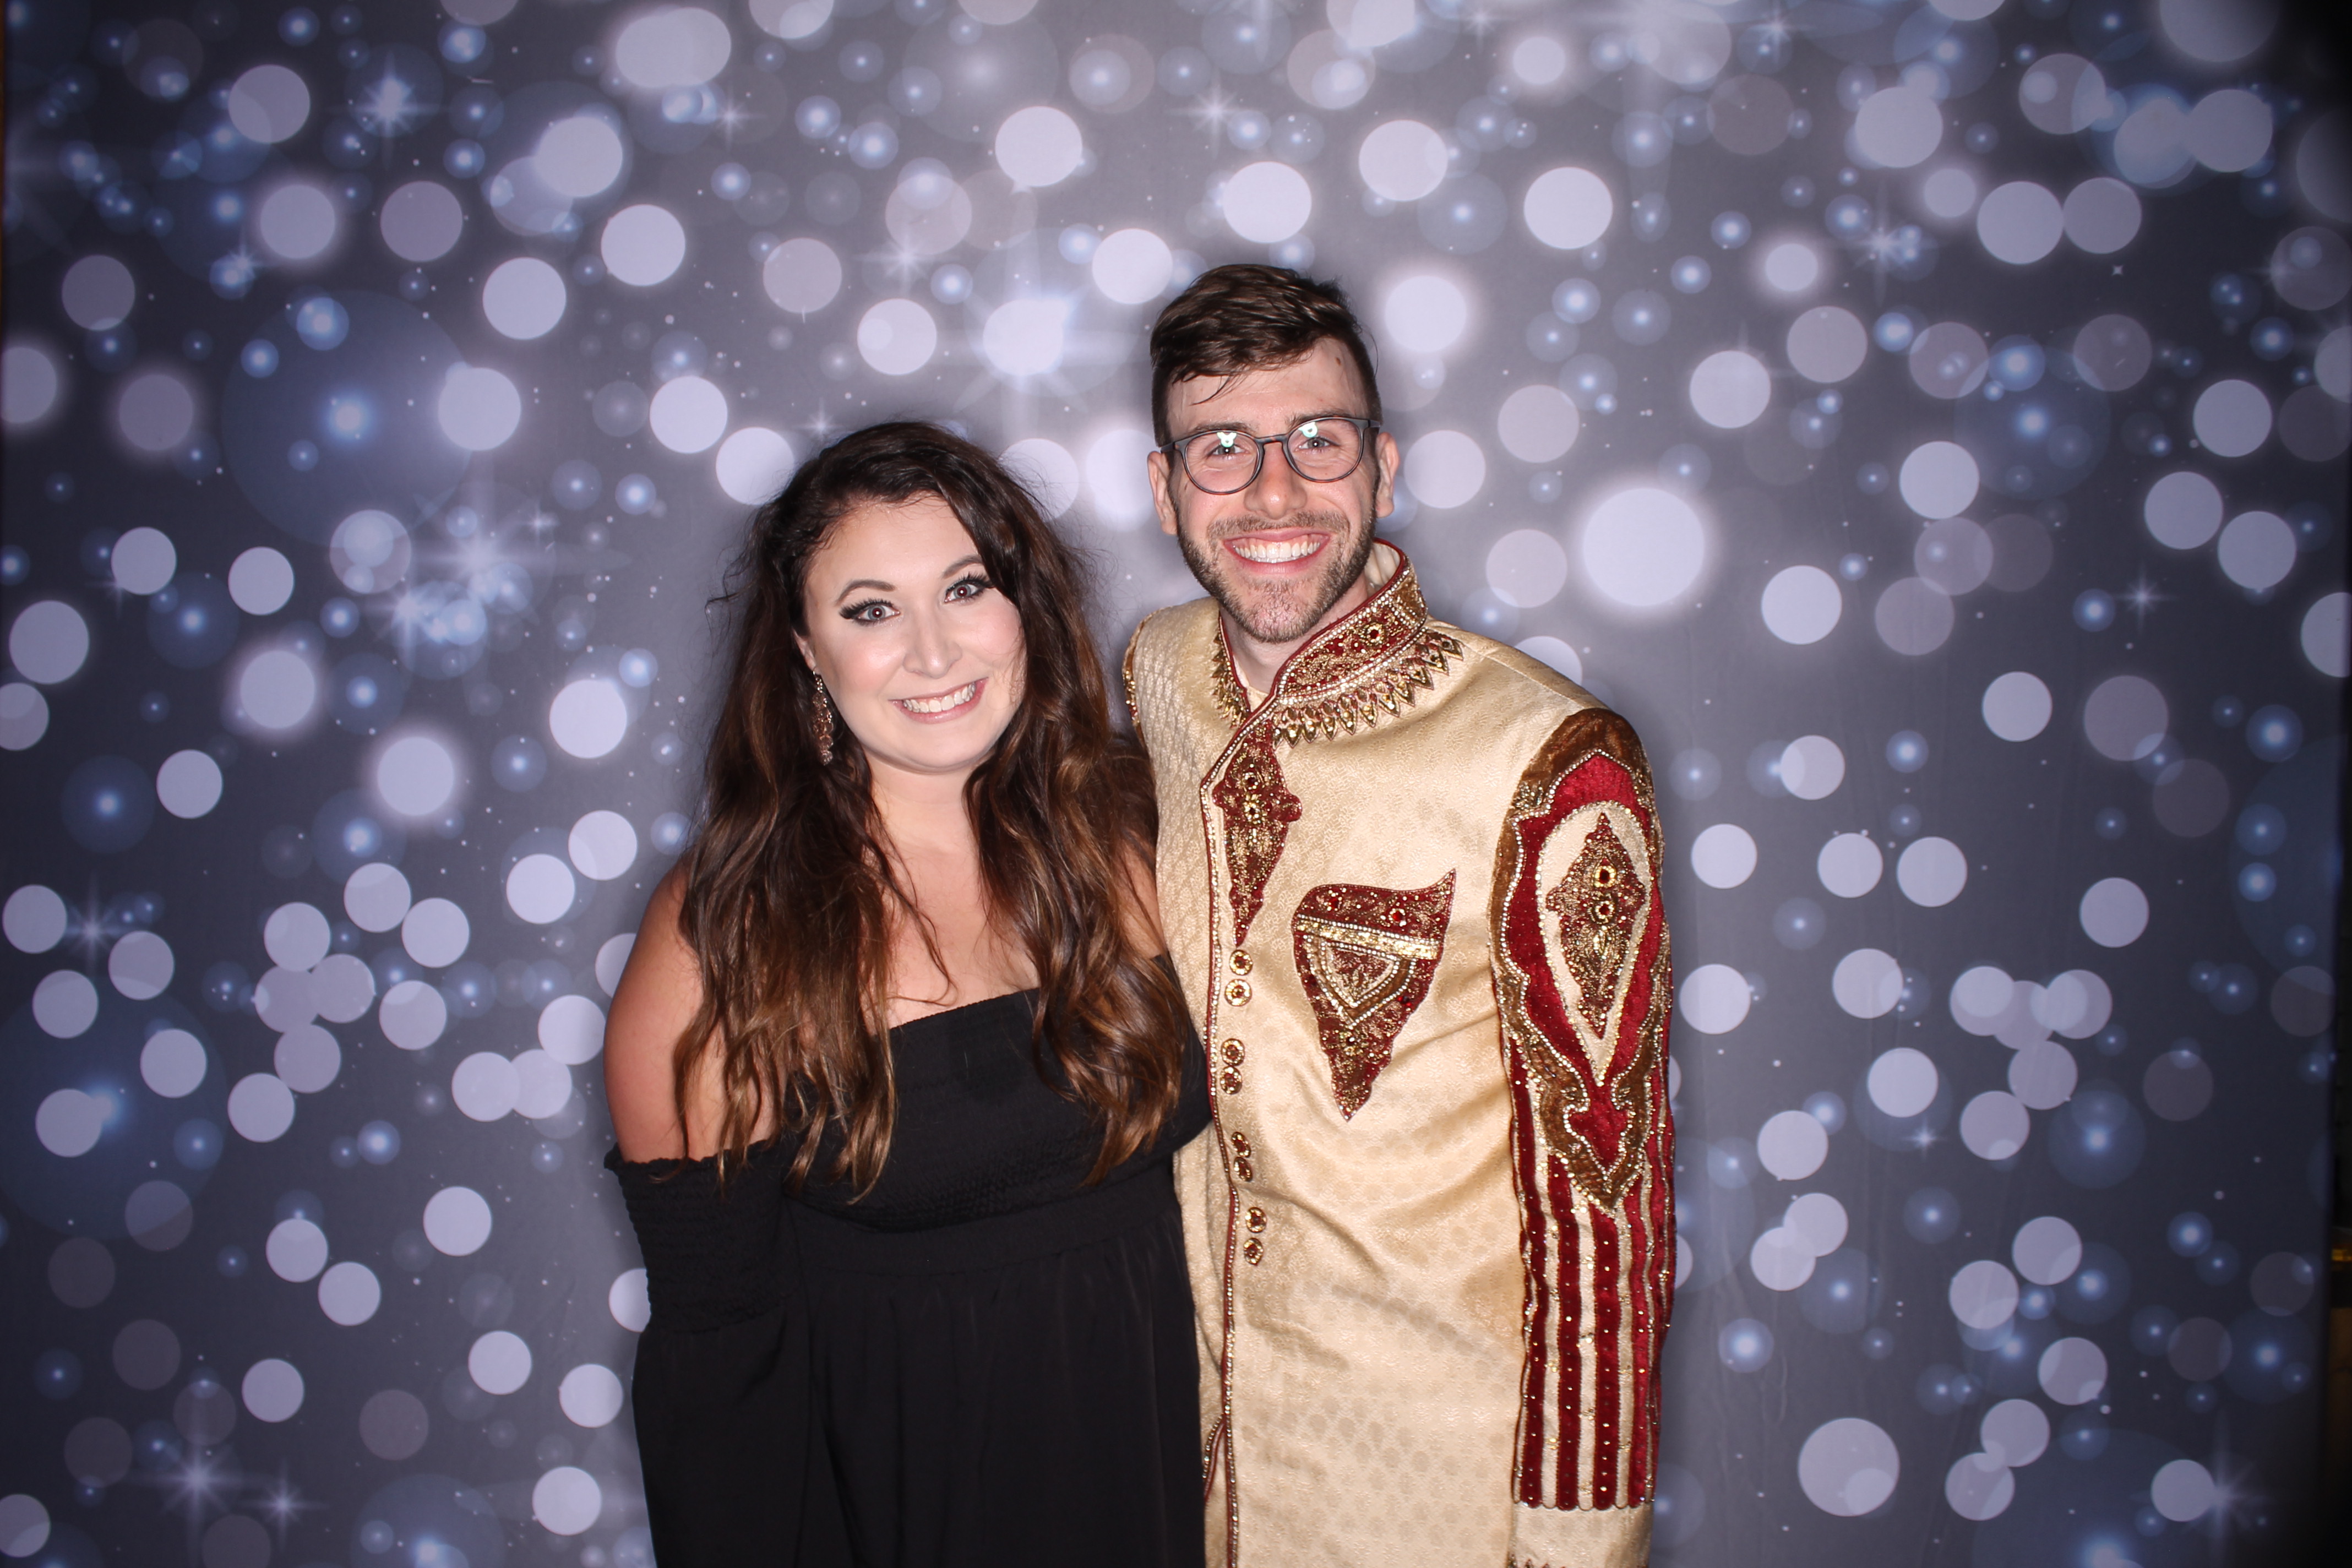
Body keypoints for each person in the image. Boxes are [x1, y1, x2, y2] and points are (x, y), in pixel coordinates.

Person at [1122, 265, 1675, 1568]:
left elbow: (1607, 1207)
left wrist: (1577, 1547)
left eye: (1319, 439)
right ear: (1165, 490)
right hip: (1178, 1459)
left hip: (1435, 1486)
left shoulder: (1552, 758)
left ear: (1384, 467)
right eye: (1223, 448)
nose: (1274, 491)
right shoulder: (1155, 672)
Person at [602, 421, 1210, 1568]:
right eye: (871, 609)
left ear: (1024, 606)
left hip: (1178, 1480)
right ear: (805, 651)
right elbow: (719, 1355)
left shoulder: (1141, 828)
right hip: (910, 1509)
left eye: (966, 587)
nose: (933, 652)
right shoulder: (725, 926)